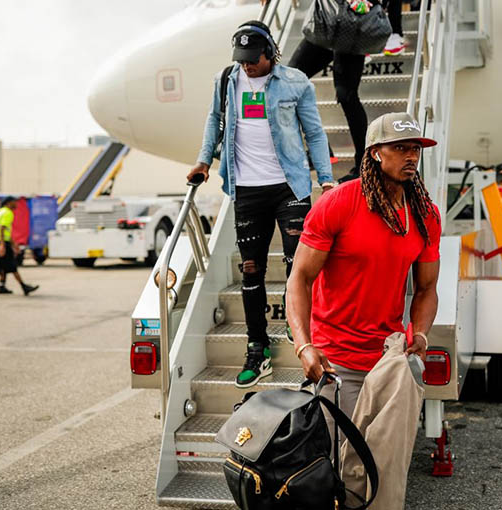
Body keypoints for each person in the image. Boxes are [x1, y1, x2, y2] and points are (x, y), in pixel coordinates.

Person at [187, 20, 335, 389]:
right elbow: (215, 122)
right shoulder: (227, 80)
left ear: (270, 53)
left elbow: (314, 132)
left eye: (254, 58)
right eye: (242, 59)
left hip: (290, 185)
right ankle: (258, 348)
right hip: (247, 189)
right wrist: (204, 161)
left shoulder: (295, 81)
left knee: (297, 264)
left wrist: (326, 177)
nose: (247, 65)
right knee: (250, 272)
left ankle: (298, 326)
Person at [286, 110, 441, 418]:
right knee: (337, 460)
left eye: (415, 149)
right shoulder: (338, 203)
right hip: (336, 361)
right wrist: (304, 347)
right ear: (375, 153)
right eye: (399, 148)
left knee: (384, 462)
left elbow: (426, 288)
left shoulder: (425, 215)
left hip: (388, 359)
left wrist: (421, 333)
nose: (410, 156)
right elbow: (299, 279)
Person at [289, 23, 370, 181]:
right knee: (289, 81)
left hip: (351, 21)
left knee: (347, 95)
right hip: (326, 21)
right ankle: (319, 150)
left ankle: (365, 165)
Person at [0, 197, 39, 299]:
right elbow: (2, 229)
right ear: (8, 203)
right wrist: (2, 245)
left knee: (6, 267)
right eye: (14, 202)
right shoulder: (7, 213)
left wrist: (13, 244)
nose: (16, 204)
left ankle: (3, 286)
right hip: (0, 243)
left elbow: (5, 231)